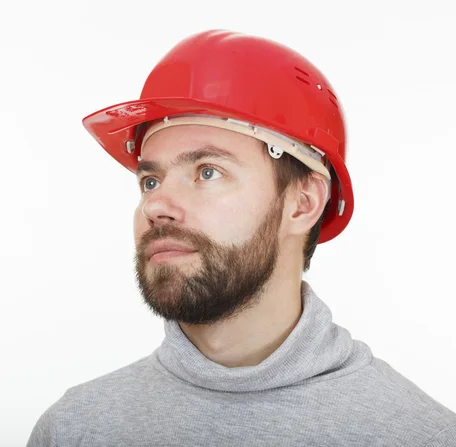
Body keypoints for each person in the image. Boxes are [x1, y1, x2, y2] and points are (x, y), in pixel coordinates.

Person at [27, 29, 456, 446]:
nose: (155, 206)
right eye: (151, 181)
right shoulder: (75, 429)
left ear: (303, 204)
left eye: (207, 172)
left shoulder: (419, 435)